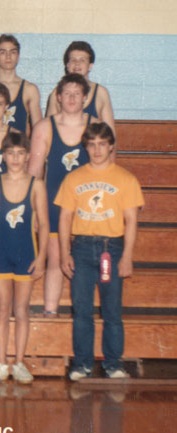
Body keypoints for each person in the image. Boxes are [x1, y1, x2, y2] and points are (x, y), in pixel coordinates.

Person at [55, 122, 143, 380]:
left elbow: (131, 221)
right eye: (91, 145)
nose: (96, 150)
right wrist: (64, 253)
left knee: (112, 310)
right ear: (86, 147)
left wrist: (127, 256)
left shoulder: (125, 179)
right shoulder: (74, 178)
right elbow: (64, 219)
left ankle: (113, 363)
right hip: (81, 247)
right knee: (82, 310)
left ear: (111, 146)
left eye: (102, 144)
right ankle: (82, 363)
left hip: (112, 248)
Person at [0, 132, 49, 384]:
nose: (15, 158)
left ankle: (19, 363)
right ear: (3, 156)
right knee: (2, 308)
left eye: (20, 153)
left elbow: (43, 224)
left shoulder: (37, 185)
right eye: (10, 153)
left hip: (26, 254)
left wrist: (41, 257)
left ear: (28, 156)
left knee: (21, 309)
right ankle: (1, 362)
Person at [29, 73, 97, 317]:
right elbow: (34, 173)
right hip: (53, 204)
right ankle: (50, 312)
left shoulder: (96, 127)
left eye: (76, 94)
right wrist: (34, 209)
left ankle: (84, 314)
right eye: (66, 93)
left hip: (88, 207)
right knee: (56, 260)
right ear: (58, 97)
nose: (71, 98)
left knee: (86, 263)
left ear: (85, 98)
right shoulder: (45, 127)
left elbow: (106, 171)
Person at [46, 41, 115, 133]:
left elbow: (111, 135)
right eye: (73, 60)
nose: (77, 64)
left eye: (82, 60)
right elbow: (48, 131)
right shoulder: (56, 94)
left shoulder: (100, 93)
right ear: (67, 65)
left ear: (90, 66)